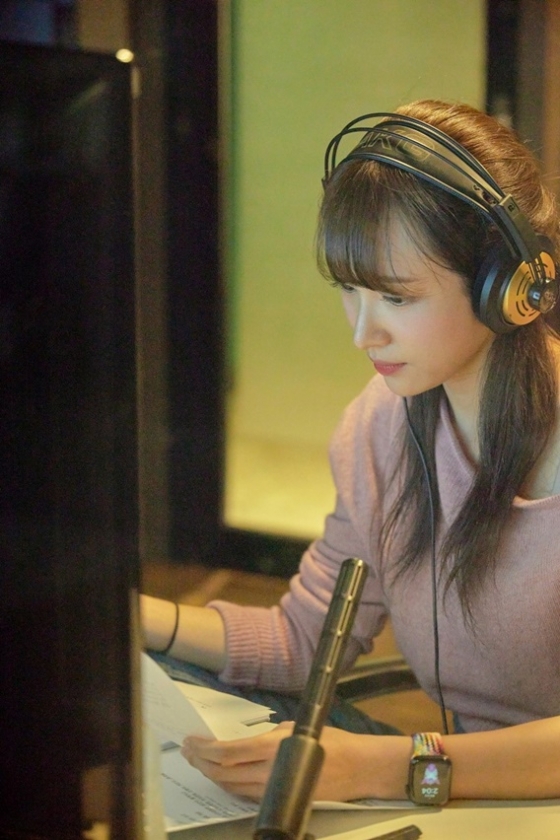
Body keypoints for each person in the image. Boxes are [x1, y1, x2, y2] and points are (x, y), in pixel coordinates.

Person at [141, 100, 560, 805]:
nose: (364, 333)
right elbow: (302, 641)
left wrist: (380, 767)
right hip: (446, 786)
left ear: (510, 290)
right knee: (152, 674)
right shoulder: (381, 422)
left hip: (488, 790)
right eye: (348, 289)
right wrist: (130, 618)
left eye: (396, 298)